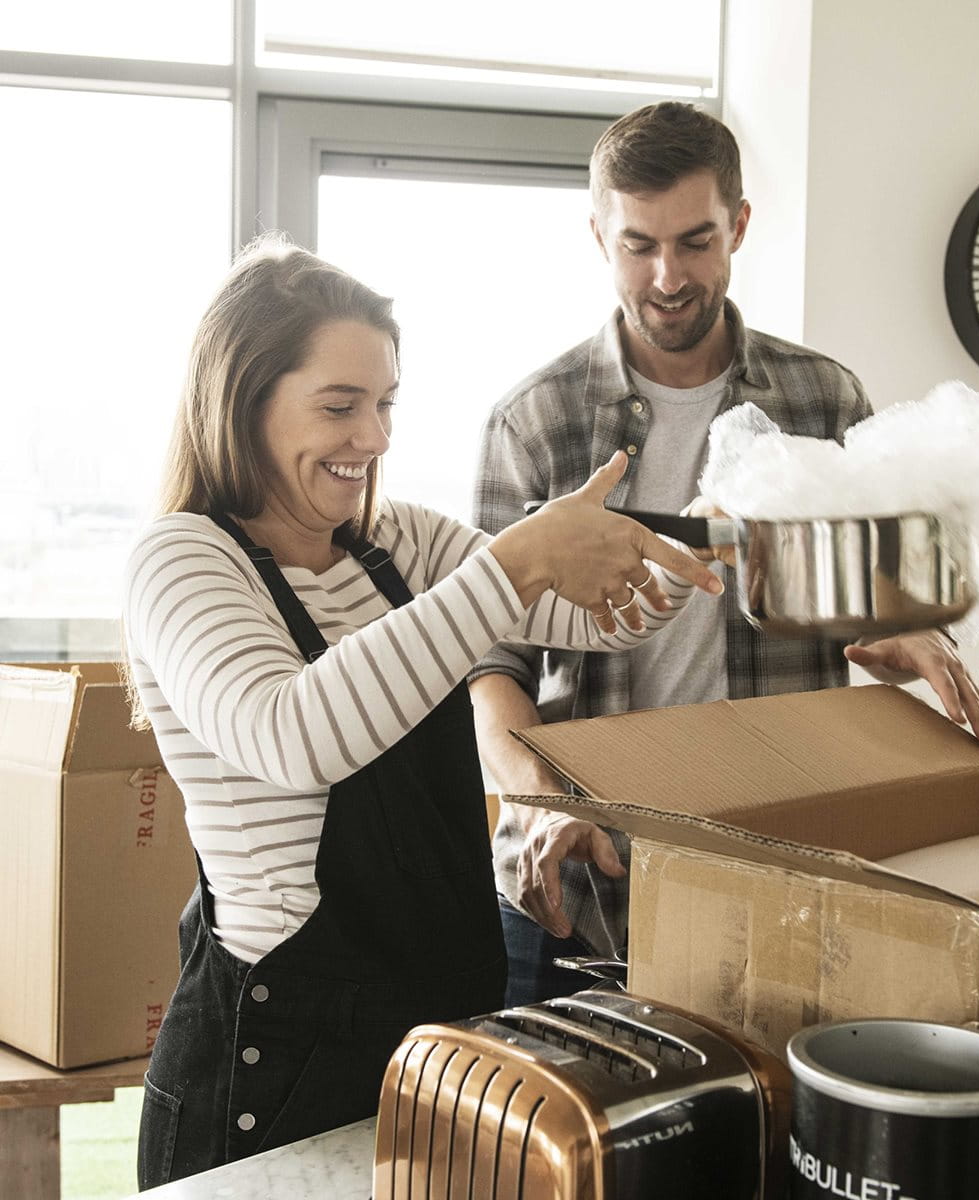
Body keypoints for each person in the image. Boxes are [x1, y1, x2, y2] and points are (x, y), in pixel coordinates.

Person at [121, 236, 724, 1187]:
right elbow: (295, 734)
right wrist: (515, 560)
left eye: (386, 403)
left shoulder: (396, 543)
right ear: (242, 401)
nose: (375, 438)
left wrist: (688, 554)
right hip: (278, 1058)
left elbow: (586, 619)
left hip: (435, 1035)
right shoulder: (182, 561)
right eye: (340, 406)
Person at [468, 101, 979, 1007]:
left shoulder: (824, 400)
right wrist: (539, 794)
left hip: (784, 871)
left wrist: (905, 626)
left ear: (739, 225)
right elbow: (485, 660)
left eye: (696, 241)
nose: (667, 276)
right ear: (599, 235)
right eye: (638, 246)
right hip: (583, 876)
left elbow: (869, 592)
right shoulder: (534, 421)